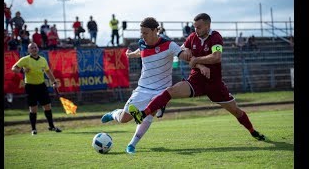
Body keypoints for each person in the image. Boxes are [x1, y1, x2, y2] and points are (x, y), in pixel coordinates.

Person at [128, 13, 266, 142]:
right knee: (170, 91)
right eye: (194, 27)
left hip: (214, 84)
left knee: (235, 111)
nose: (196, 30)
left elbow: (216, 57)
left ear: (208, 26)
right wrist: (188, 53)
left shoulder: (216, 37)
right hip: (195, 81)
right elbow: (181, 52)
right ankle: (143, 113)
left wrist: (196, 60)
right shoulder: (192, 37)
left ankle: (253, 131)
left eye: (199, 27)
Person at [100, 17, 194, 154]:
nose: (143, 36)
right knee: (124, 119)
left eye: (146, 33)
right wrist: (132, 55)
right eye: (141, 33)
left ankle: (132, 145)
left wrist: (189, 52)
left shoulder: (169, 45)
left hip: (162, 89)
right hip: (143, 87)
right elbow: (141, 51)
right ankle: (114, 113)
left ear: (155, 30)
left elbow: (183, 56)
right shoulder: (143, 43)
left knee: (151, 112)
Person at [11, 42, 62, 135]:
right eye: (32, 48)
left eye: (35, 47)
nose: (34, 49)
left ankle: (52, 126)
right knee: (33, 108)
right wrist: (22, 70)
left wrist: (54, 82)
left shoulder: (43, 60)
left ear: (37, 49)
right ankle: (33, 129)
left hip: (41, 86)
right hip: (30, 86)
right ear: (28, 50)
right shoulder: (25, 59)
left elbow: (48, 72)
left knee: (47, 106)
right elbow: (14, 68)